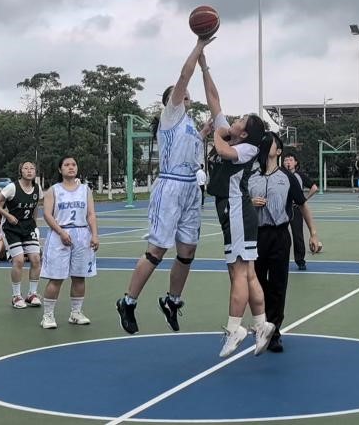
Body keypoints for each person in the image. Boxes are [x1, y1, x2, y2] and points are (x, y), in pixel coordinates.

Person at [116, 37, 213, 335]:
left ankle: (172, 300)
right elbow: (184, 76)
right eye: (184, 95)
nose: (188, 98)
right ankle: (128, 301)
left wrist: (204, 133)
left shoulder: (189, 125)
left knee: (188, 250)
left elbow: (191, 149)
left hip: (190, 189)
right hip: (170, 187)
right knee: (157, 250)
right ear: (173, 100)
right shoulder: (171, 115)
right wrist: (199, 46)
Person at [202, 55, 275, 358]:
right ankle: (261, 324)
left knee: (239, 272)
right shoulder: (235, 137)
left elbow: (221, 148)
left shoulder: (246, 148)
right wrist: (204, 65)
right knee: (248, 272)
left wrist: (215, 133)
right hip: (233, 211)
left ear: (243, 132)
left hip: (236, 209)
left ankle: (235, 328)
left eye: (242, 120)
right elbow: (214, 99)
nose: (236, 119)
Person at [249, 134, 322, 353]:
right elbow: (238, 202)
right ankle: (261, 325)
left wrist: (313, 234)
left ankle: (273, 333)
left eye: (271, 142)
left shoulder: (287, 177)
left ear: (278, 151)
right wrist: (250, 203)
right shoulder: (250, 176)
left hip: (279, 235)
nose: (266, 143)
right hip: (256, 236)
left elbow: (302, 205)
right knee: (257, 284)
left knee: (278, 286)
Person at [39, 157, 100, 329]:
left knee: (79, 277)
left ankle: (76, 313)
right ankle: (48, 315)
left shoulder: (85, 190)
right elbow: (47, 215)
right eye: (66, 165)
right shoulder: (53, 190)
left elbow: (91, 214)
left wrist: (95, 235)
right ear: (60, 170)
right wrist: (61, 232)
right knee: (56, 278)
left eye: (73, 164)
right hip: (60, 235)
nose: (71, 167)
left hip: (82, 235)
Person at [0, 162, 43, 309]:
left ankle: (32, 294)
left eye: (32, 168)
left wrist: (35, 224)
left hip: (29, 227)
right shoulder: (12, 187)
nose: (29, 171)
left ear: (35, 172)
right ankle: (16, 296)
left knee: (36, 259)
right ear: (21, 171)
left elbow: (35, 206)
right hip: (12, 228)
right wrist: (7, 215)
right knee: (19, 260)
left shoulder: (37, 189)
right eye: (26, 168)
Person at [282, 153, 319, 270]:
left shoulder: (299, 175)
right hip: (282, 209)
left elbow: (314, 188)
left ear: (295, 162)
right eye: (285, 160)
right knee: (281, 234)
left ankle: (300, 260)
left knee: (297, 234)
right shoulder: (280, 175)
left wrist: (304, 199)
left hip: (296, 208)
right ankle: (281, 259)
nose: (288, 162)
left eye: (290, 160)